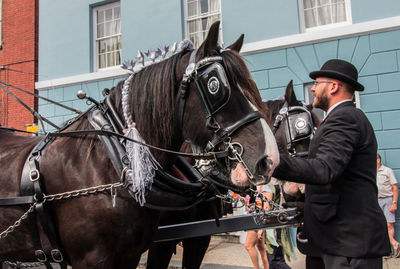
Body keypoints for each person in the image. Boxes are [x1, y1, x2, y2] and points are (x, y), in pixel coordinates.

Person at [272, 59, 391, 269]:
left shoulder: (345, 117)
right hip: (333, 242)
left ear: (334, 86)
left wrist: (270, 161)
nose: (314, 89)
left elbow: (324, 169)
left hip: (349, 245)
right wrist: (306, 203)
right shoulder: (337, 118)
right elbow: (336, 181)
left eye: (317, 83)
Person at [377, 153, 399, 257]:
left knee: (389, 224)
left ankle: (392, 246)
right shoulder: (370, 172)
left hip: (387, 200)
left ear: (378, 160)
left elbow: (394, 187)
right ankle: (392, 246)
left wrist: (394, 203)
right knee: (378, 225)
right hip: (375, 200)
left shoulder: (387, 171)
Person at [244, 185, 271, 269]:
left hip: (258, 221)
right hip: (254, 218)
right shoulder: (253, 186)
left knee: (248, 245)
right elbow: (251, 204)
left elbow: (266, 208)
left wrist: (261, 228)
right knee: (261, 248)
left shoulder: (265, 188)